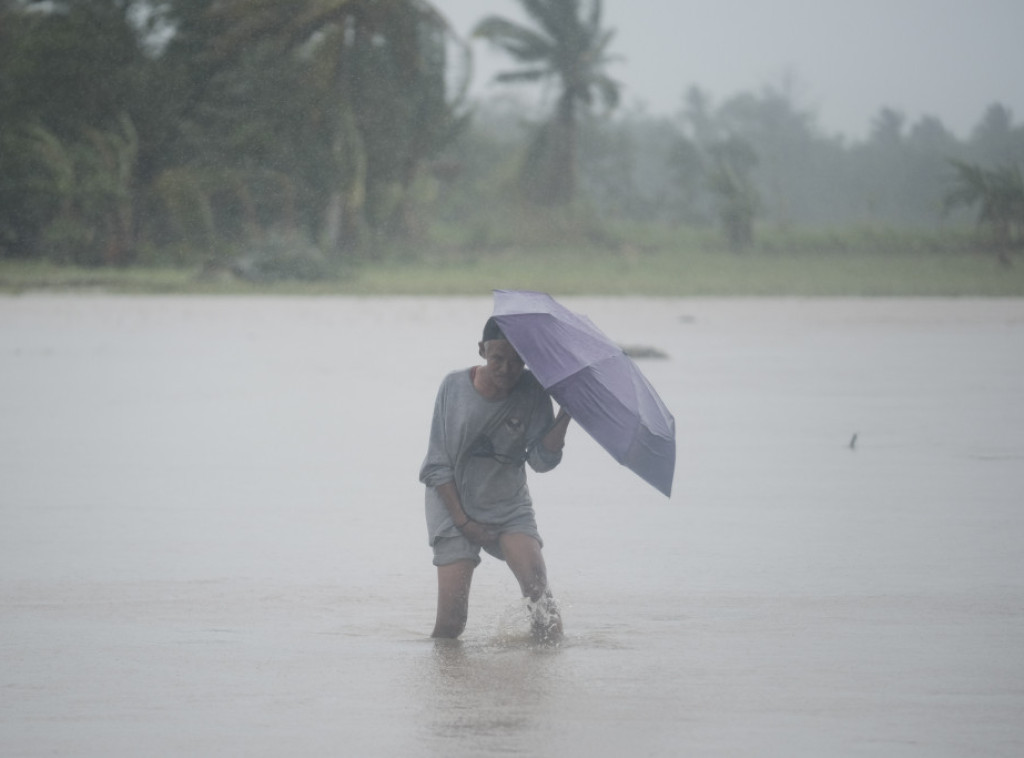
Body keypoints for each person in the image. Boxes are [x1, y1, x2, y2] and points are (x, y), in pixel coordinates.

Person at [419, 317, 571, 641]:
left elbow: (541, 462)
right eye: (497, 358)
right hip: (451, 501)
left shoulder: (533, 391)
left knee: (543, 607)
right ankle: (443, 674)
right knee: (452, 624)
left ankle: (544, 670)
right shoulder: (454, 387)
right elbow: (436, 466)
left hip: (508, 505)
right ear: (482, 351)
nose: (506, 369)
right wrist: (464, 522)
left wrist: (566, 414)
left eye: (517, 361)